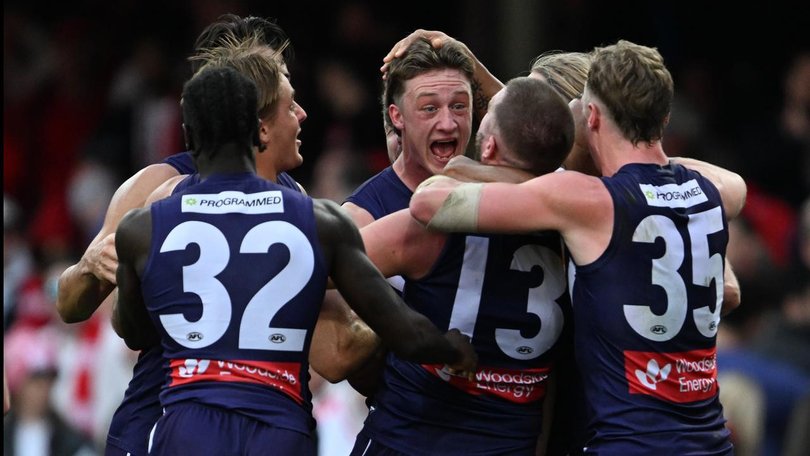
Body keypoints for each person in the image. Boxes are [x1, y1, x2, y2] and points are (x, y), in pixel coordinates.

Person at [112, 64, 477, 456]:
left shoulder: (142, 229)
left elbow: (133, 332)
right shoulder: (319, 221)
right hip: (279, 428)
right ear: (257, 131)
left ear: (188, 136)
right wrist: (452, 347)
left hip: (189, 426)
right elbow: (403, 331)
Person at [410, 39, 747, 454]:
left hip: (626, 442)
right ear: (664, 117)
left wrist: (484, 172)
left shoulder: (586, 201)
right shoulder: (708, 193)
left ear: (588, 117)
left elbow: (428, 203)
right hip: (710, 442)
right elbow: (728, 265)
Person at [52, 15, 318, 456]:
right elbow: (70, 305)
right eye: (286, 97)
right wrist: (87, 266)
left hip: (267, 426)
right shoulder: (157, 187)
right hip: (164, 421)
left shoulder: (294, 198)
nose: (299, 112)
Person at [351, 76, 574, 455]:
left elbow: (327, 267)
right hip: (511, 441)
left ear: (488, 146)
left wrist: (414, 336)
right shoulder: (583, 227)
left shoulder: (432, 225)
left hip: (412, 435)